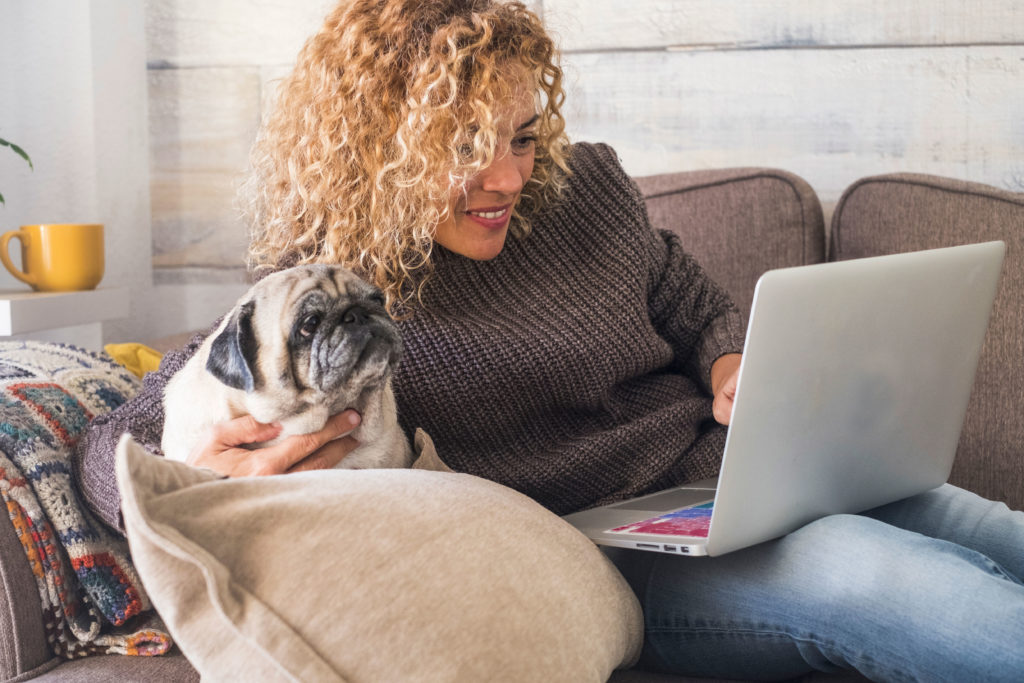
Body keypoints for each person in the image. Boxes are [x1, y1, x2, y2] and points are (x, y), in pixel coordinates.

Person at [74, 1, 1024, 680]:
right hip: (625, 559)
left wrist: (733, 361)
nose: (504, 176)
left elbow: (696, 304)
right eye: (462, 147)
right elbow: (122, 431)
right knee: (904, 586)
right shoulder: (332, 293)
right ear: (379, 148)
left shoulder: (587, 191)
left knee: (988, 531)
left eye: (523, 136)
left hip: (740, 481)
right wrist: (200, 464)